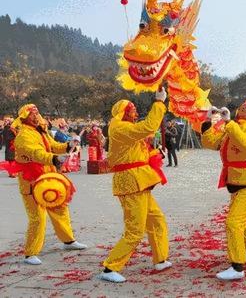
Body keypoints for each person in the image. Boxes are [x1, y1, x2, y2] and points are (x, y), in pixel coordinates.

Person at [99, 88, 171, 283]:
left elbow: (139, 155)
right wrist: (158, 102)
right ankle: (110, 267)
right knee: (135, 230)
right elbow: (148, 127)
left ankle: (160, 259)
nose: (135, 113)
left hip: (140, 181)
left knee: (156, 220)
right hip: (130, 183)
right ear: (122, 112)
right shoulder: (119, 128)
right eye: (131, 110)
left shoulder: (126, 130)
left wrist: (156, 154)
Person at [12, 104, 87, 265]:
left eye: (37, 113)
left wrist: (68, 145)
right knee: (37, 217)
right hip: (31, 181)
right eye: (32, 114)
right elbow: (36, 153)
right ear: (24, 118)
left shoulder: (41, 131)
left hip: (48, 177)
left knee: (59, 208)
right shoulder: (24, 135)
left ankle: (68, 241)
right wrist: (53, 158)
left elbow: (53, 146)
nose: (36, 116)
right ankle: (31, 252)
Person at [200, 100, 246, 281]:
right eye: (241, 107)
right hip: (236, 180)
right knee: (238, 219)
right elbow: (211, 143)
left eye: (245, 108)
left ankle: (237, 266)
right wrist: (209, 121)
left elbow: (244, 143)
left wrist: (229, 123)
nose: (241, 109)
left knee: (233, 221)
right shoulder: (232, 127)